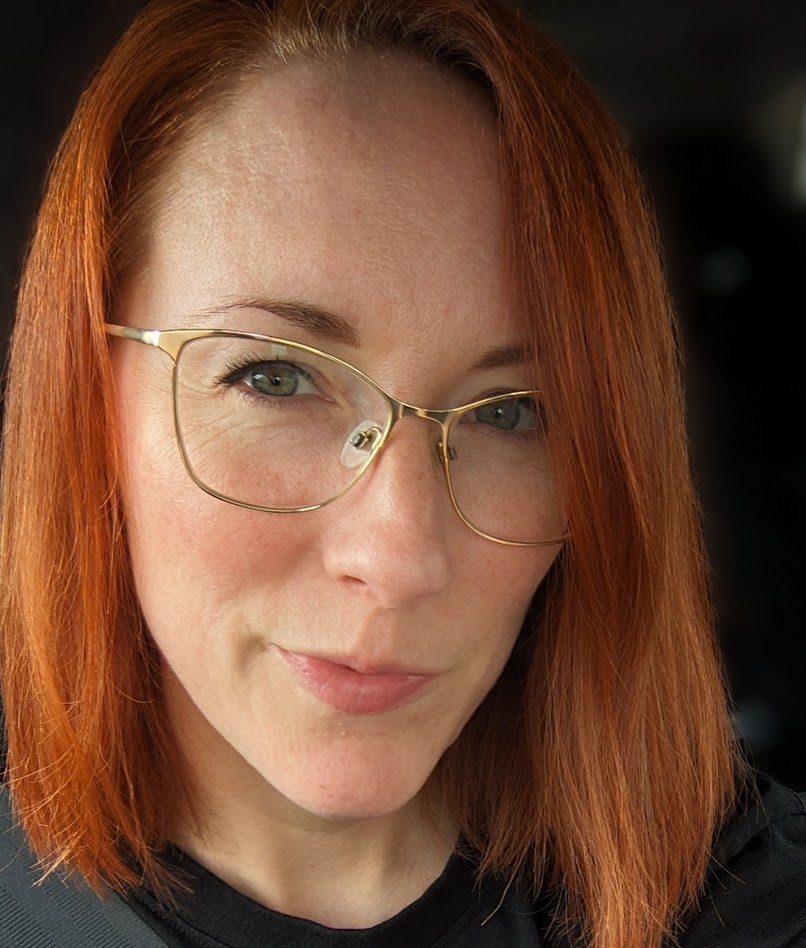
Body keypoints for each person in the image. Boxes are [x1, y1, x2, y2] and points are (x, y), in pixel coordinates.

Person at [0, 1, 804, 946]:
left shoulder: (748, 904)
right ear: (87, 397)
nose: (401, 559)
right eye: (275, 378)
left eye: (511, 413)